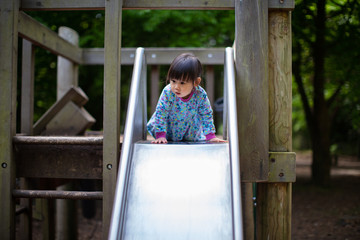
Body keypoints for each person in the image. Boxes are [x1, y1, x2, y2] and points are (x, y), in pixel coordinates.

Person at [147, 53, 226, 144]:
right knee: (161, 116)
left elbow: (206, 114)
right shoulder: (168, 92)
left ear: (196, 82)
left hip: (190, 130)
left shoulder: (200, 94)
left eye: (182, 83)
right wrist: (160, 135)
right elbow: (161, 112)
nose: (176, 87)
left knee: (196, 127)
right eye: (173, 81)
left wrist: (210, 136)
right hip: (168, 129)